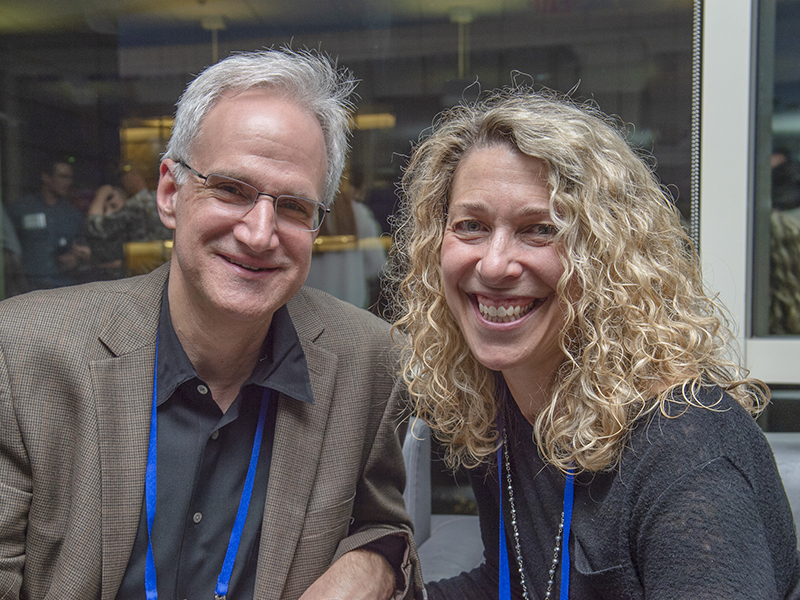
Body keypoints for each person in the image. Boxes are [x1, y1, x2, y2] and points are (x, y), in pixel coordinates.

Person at [0, 48, 420, 600]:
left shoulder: (369, 360)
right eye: (231, 190)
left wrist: (375, 563)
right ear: (171, 194)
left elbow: (382, 523)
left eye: (293, 206)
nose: (259, 232)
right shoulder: (23, 355)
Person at [391, 87, 800, 599]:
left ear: (606, 256)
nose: (494, 265)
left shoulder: (687, 453)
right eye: (470, 226)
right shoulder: (505, 400)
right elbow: (520, 583)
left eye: (539, 229)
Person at [6, 158, 91, 289]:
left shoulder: (73, 214)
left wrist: (75, 259)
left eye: (69, 178)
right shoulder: (21, 209)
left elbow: (82, 248)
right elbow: (8, 246)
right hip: (28, 287)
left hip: (63, 286)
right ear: (46, 177)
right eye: (63, 177)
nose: (68, 182)